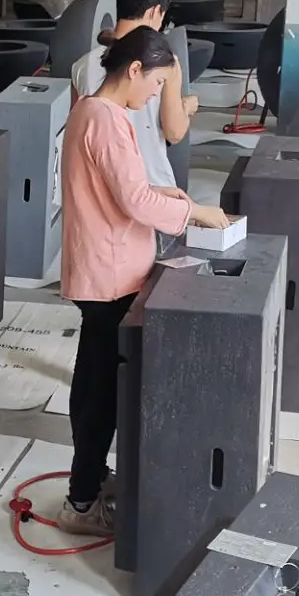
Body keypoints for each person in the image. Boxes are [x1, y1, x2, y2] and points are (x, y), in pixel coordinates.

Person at [59, 26, 230, 534]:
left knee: (93, 382)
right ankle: (81, 503)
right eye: (156, 84)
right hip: (110, 274)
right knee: (101, 395)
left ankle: (89, 483)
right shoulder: (106, 119)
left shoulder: (93, 110)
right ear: (134, 70)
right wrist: (195, 212)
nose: (156, 95)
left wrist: (168, 195)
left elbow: (126, 188)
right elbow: (133, 201)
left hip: (102, 267)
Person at [70, 0, 197, 191]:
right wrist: (186, 108)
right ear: (154, 12)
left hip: (99, 189)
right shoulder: (165, 62)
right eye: (162, 16)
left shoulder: (81, 66)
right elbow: (174, 132)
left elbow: (76, 128)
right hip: (151, 185)